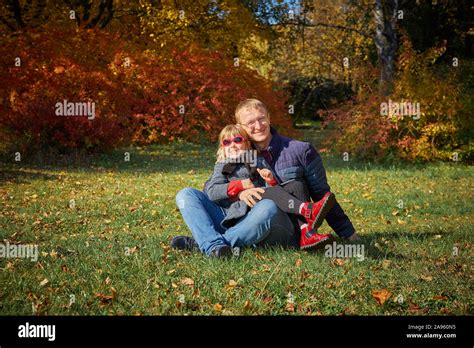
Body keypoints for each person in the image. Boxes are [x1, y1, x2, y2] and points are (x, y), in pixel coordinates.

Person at [172, 98, 359, 258]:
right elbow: (210, 190)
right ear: (241, 128)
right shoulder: (240, 152)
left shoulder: (300, 150)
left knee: (268, 207)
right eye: (250, 122)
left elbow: (322, 195)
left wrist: (347, 233)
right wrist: (239, 192)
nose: (258, 125)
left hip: (278, 223)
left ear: (269, 118)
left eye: (262, 119)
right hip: (238, 219)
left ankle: (207, 244)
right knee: (186, 194)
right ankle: (216, 245)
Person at [205, 124, 336, 250]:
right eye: (227, 142)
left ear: (246, 143)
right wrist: (240, 186)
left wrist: (270, 180)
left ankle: (306, 233)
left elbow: (274, 192)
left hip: (263, 204)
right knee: (266, 193)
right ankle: (307, 210)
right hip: (245, 215)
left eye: (237, 140)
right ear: (222, 147)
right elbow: (212, 191)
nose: (232, 145)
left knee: (296, 184)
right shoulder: (222, 165)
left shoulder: (258, 161)